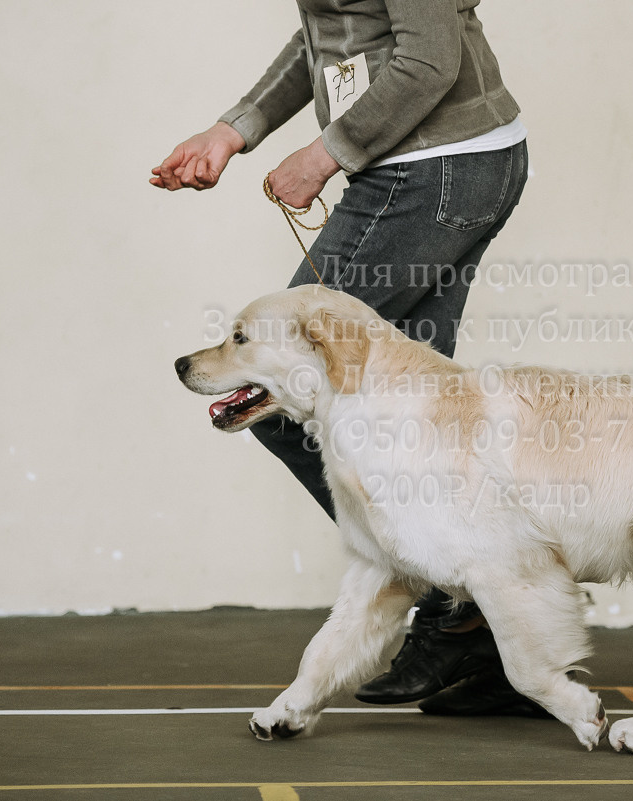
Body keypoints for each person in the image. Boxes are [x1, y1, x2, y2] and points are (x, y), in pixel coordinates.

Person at [151, 0, 543, 718]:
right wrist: (232, 130)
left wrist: (325, 152)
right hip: (447, 163)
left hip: (430, 170)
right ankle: (486, 619)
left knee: (274, 394)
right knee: (424, 423)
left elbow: (430, 57)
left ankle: (469, 594)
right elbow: (334, 34)